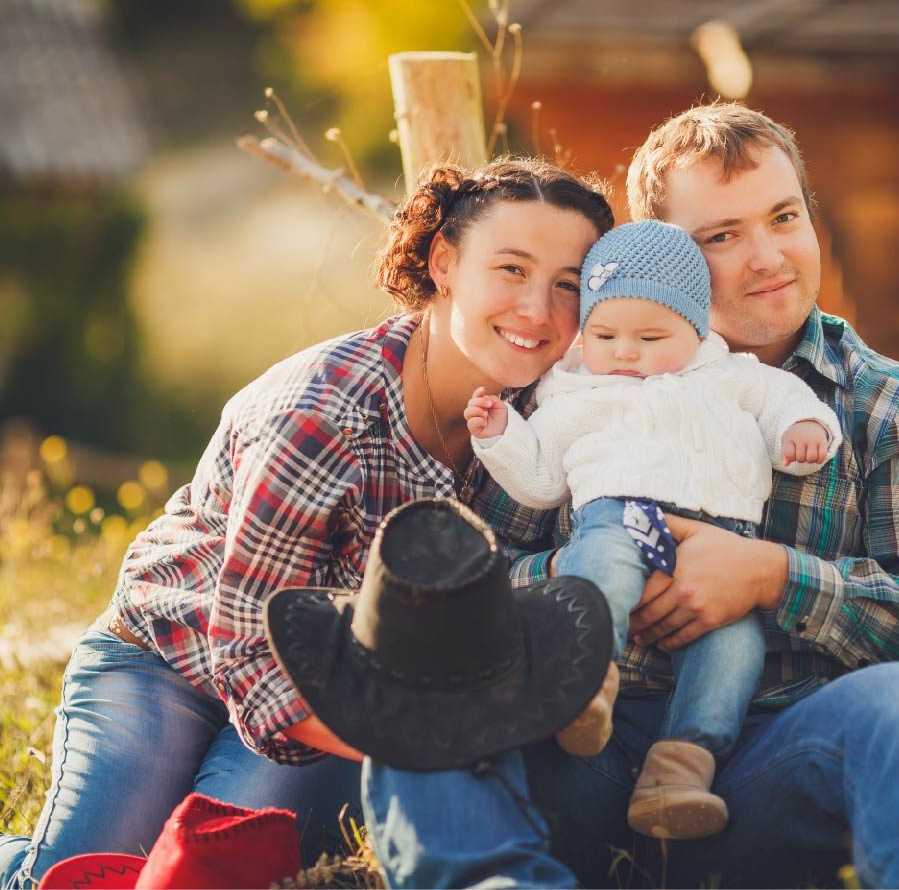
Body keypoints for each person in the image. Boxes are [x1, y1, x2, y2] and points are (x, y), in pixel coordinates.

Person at [0, 158, 615, 889]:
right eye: (511, 269)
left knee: (208, 876)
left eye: (568, 284)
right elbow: (248, 649)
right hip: (170, 657)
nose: (538, 311)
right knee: (77, 878)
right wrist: (413, 745)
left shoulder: (560, 411)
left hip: (332, 685)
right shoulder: (322, 413)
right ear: (444, 262)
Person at [361, 102, 899, 889]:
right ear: (663, 255)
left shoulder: (876, 404)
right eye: (720, 236)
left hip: (761, 757)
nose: (767, 256)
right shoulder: (576, 376)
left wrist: (772, 576)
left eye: (783, 216)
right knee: (429, 658)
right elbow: (488, 570)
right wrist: (586, 578)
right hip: (578, 739)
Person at [464, 217, 841, 841]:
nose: (626, 352)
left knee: (733, 648)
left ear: (696, 328)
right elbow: (537, 480)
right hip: (624, 512)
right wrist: (499, 436)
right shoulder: (577, 393)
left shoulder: (731, 375)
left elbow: (787, 402)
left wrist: (805, 432)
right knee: (601, 567)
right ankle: (587, 681)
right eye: (606, 334)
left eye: (650, 335)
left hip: (725, 540)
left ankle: (682, 767)